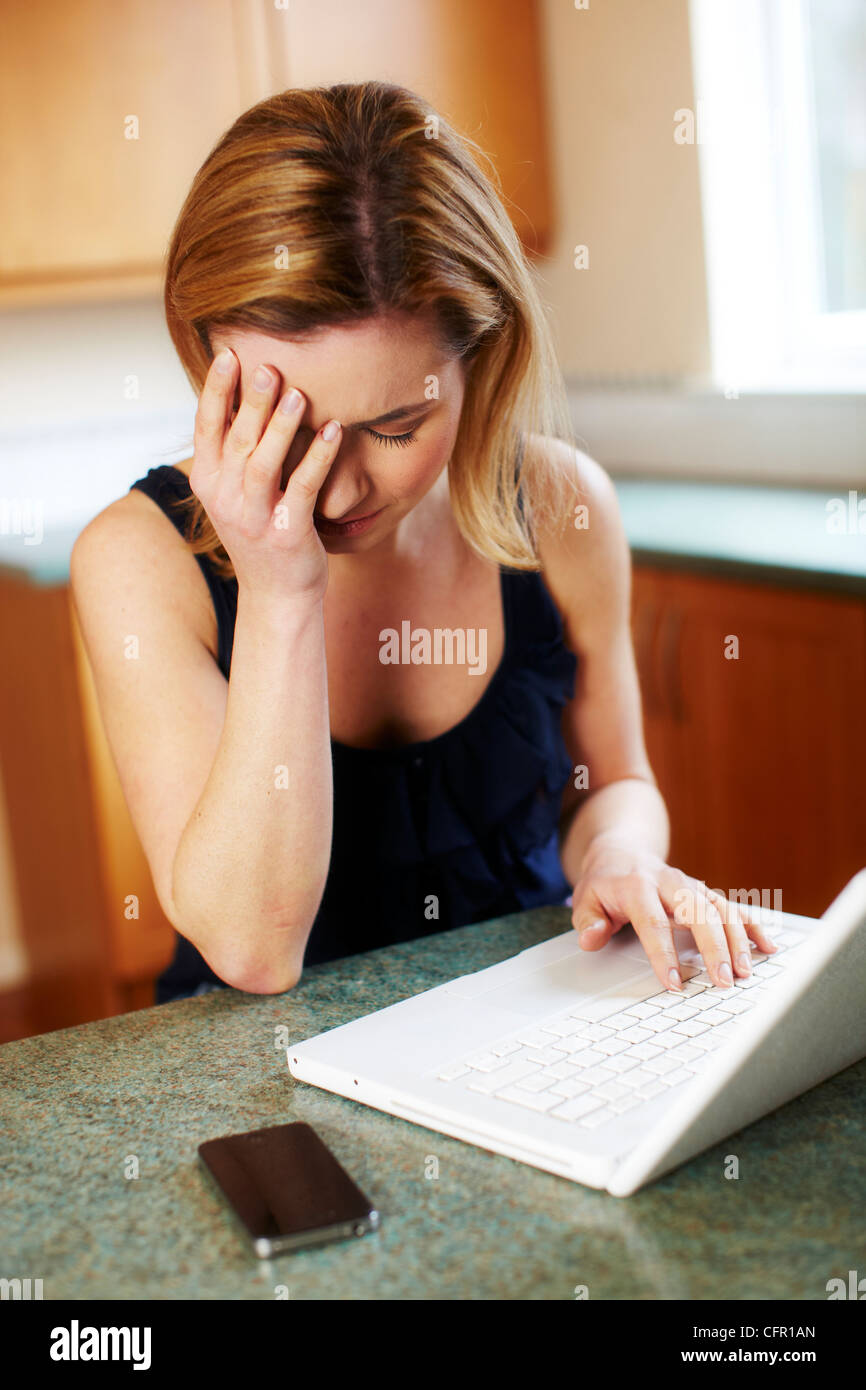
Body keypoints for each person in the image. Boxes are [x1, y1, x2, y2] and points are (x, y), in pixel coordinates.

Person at [70, 82, 776, 1004]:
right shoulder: (138, 561)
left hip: (528, 1019)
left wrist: (619, 852)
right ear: (207, 364)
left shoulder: (563, 508)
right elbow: (252, 949)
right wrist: (282, 594)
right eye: (288, 423)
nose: (346, 483)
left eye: (398, 423)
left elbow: (613, 781)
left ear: (480, 358)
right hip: (258, 1075)